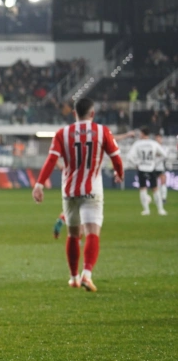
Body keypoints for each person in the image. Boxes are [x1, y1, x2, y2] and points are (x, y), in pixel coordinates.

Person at [32, 98, 124, 292]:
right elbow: (116, 158)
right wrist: (119, 174)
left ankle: (73, 277)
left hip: (69, 191)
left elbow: (51, 160)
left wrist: (39, 184)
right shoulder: (102, 131)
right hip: (92, 190)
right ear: (92, 114)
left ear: (74, 114)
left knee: (73, 235)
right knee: (92, 231)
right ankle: (87, 275)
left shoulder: (62, 133)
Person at [126, 127, 168, 216]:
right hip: (151, 168)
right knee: (155, 189)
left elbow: (129, 157)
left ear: (142, 133)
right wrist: (155, 163)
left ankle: (146, 210)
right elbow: (164, 155)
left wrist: (136, 164)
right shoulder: (153, 143)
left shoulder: (137, 144)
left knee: (143, 189)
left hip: (141, 168)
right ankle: (161, 210)